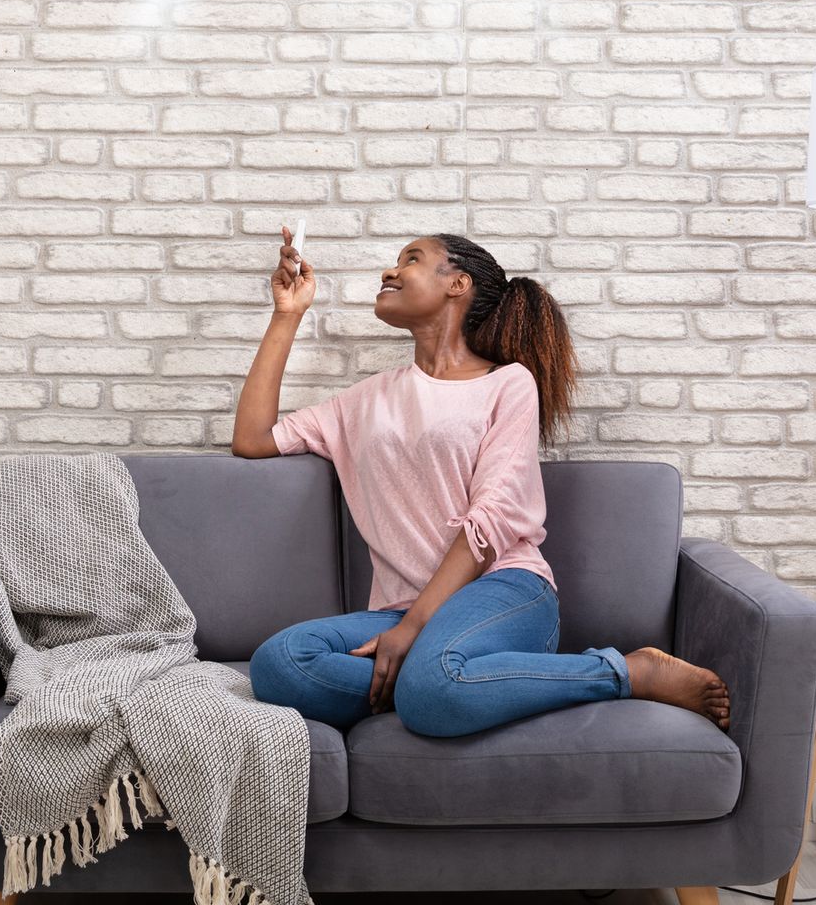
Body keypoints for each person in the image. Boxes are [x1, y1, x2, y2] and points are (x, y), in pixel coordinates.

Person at [231, 229, 730, 738]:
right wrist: (288, 313)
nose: (390, 271)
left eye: (412, 260)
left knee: (428, 689)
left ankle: (627, 672)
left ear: (458, 284)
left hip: (505, 591)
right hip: (401, 611)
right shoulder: (364, 401)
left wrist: (413, 629)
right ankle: (450, 683)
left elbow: (492, 519)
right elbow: (252, 439)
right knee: (281, 663)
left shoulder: (507, 383)